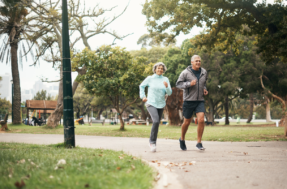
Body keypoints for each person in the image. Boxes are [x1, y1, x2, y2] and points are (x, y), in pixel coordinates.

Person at [176, 55, 208, 151]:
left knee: (201, 120)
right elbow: (178, 84)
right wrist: (189, 84)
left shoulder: (204, 72)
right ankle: (182, 139)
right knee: (187, 122)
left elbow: (204, 83)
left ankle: (199, 142)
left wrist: (205, 89)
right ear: (192, 62)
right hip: (189, 101)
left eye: (199, 61)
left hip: (200, 100)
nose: (198, 62)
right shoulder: (185, 73)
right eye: (196, 61)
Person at [139, 62, 172, 152]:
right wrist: (143, 96)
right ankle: (152, 142)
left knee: (157, 124)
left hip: (161, 104)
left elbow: (169, 93)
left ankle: (153, 142)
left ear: (163, 70)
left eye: (162, 68)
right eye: (158, 68)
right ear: (155, 69)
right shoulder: (150, 78)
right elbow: (141, 86)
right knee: (156, 121)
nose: (160, 70)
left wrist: (167, 87)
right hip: (151, 103)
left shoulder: (165, 79)